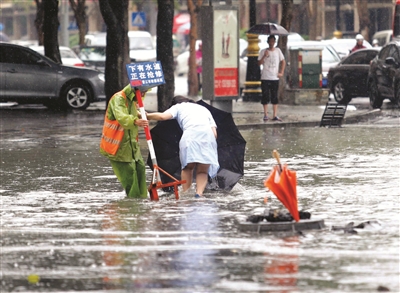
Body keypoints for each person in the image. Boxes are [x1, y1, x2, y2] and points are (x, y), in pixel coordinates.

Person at [146, 96, 219, 198]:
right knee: (203, 171)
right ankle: (199, 194)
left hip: (190, 136)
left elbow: (162, 117)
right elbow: (214, 133)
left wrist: (147, 116)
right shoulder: (204, 109)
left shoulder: (178, 107)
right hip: (208, 138)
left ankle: (186, 194)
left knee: (188, 168)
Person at [100, 84, 149, 199]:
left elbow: (131, 112)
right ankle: (133, 207)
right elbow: (122, 116)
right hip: (118, 147)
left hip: (132, 146)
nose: (143, 95)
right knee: (130, 178)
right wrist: (136, 121)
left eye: (145, 93)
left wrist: (140, 114)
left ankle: (142, 200)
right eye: (142, 92)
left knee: (140, 169)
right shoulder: (119, 98)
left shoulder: (132, 100)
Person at [257, 35, 286, 122]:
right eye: (270, 41)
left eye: (273, 41)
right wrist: (264, 56)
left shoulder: (278, 51)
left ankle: (275, 115)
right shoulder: (263, 51)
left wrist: (281, 72)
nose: (271, 43)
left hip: (274, 77)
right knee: (265, 95)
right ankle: (265, 114)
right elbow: (259, 63)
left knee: (274, 96)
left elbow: (283, 61)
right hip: (265, 77)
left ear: (275, 42)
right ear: (268, 42)